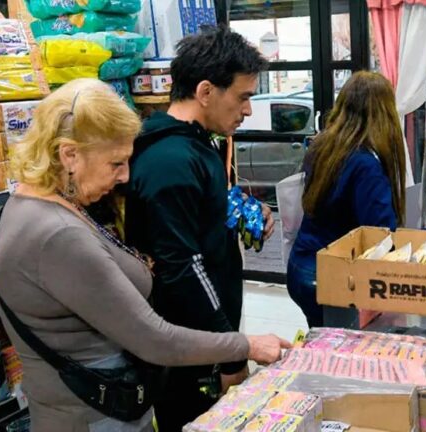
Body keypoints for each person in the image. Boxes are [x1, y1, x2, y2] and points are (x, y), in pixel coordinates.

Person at [0, 79, 290, 432]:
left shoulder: (34, 203)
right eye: (116, 163)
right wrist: (245, 346)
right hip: (94, 420)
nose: (125, 176)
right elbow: (155, 340)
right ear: (69, 155)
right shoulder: (58, 234)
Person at [124, 27, 275, 431]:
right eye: (242, 97)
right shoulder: (170, 161)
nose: (247, 110)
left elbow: (204, 213)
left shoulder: (198, 143)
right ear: (206, 91)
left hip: (208, 341)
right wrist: (231, 353)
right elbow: (182, 269)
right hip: (189, 350)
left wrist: (245, 213)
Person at [288, 71, 407, 328]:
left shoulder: (325, 147)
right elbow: (381, 232)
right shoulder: (366, 165)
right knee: (341, 346)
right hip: (331, 276)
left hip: (302, 265)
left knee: (322, 339)